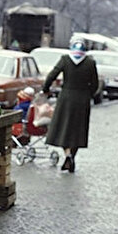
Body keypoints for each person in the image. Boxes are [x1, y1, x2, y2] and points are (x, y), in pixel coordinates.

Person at [42, 37, 99, 173]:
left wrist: (46, 89)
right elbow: (95, 84)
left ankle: (67, 155)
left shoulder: (65, 60)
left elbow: (51, 76)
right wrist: (88, 94)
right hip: (82, 99)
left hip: (66, 98)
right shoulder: (90, 63)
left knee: (64, 128)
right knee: (78, 130)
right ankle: (72, 155)